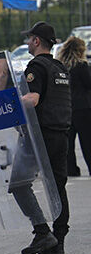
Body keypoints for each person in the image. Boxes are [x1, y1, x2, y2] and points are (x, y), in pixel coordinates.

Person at [14, 21, 71, 254]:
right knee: (57, 187)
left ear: (37, 41)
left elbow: (33, 99)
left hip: (40, 135)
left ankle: (41, 230)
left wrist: (10, 103)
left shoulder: (35, 66)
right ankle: (57, 242)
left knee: (18, 183)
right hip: (61, 134)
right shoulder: (60, 69)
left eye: (29, 39)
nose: (27, 42)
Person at [56, 36, 90, 177]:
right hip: (83, 108)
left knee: (68, 142)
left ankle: (71, 169)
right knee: (87, 141)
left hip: (65, 107)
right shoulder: (82, 66)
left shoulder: (60, 66)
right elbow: (89, 84)